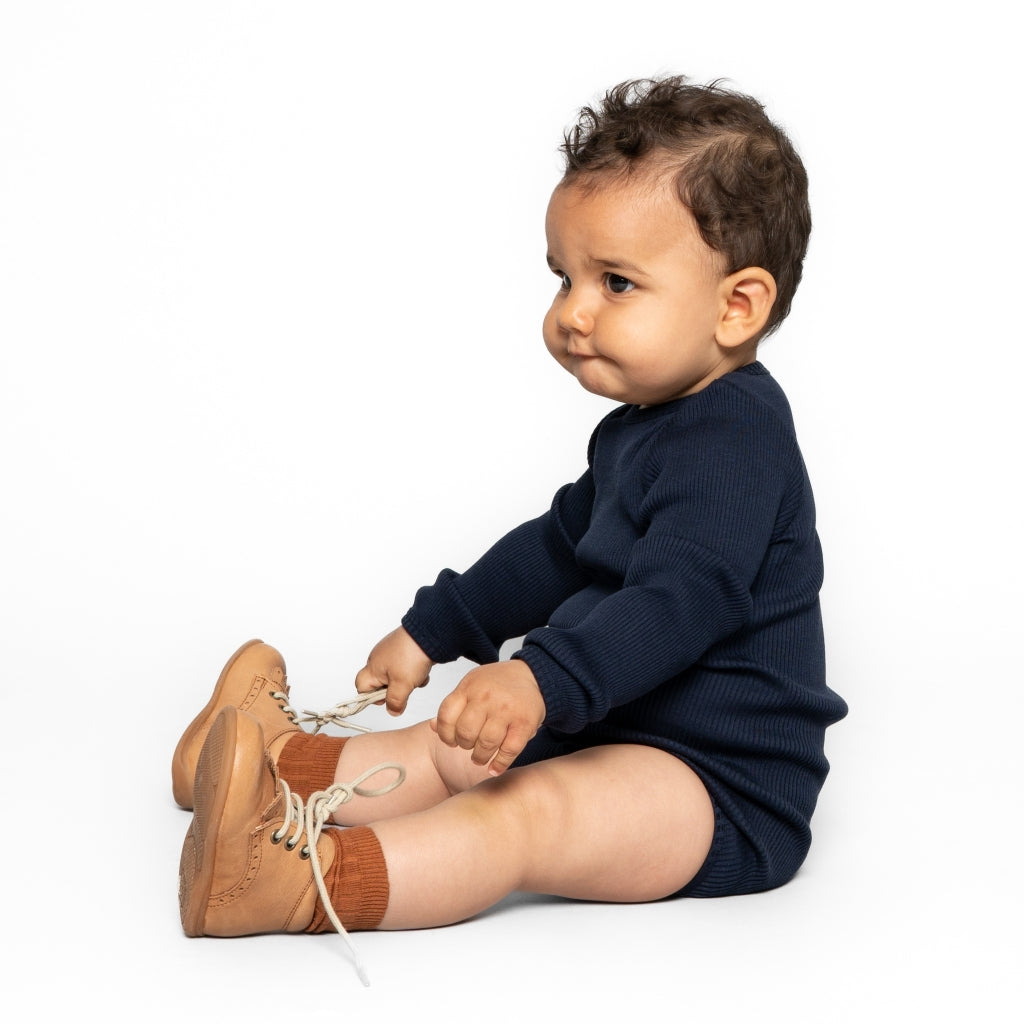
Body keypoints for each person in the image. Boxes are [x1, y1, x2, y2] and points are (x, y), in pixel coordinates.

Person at [175, 75, 848, 985]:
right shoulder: (641, 429)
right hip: (615, 722)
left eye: (616, 282)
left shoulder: (739, 440)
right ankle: (264, 766)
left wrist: (543, 678)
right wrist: (435, 627)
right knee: (452, 751)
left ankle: (294, 884)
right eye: (564, 278)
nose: (573, 312)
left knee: (523, 810)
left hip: (714, 782)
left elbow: (680, 599)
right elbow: (557, 547)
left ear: (737, 306)